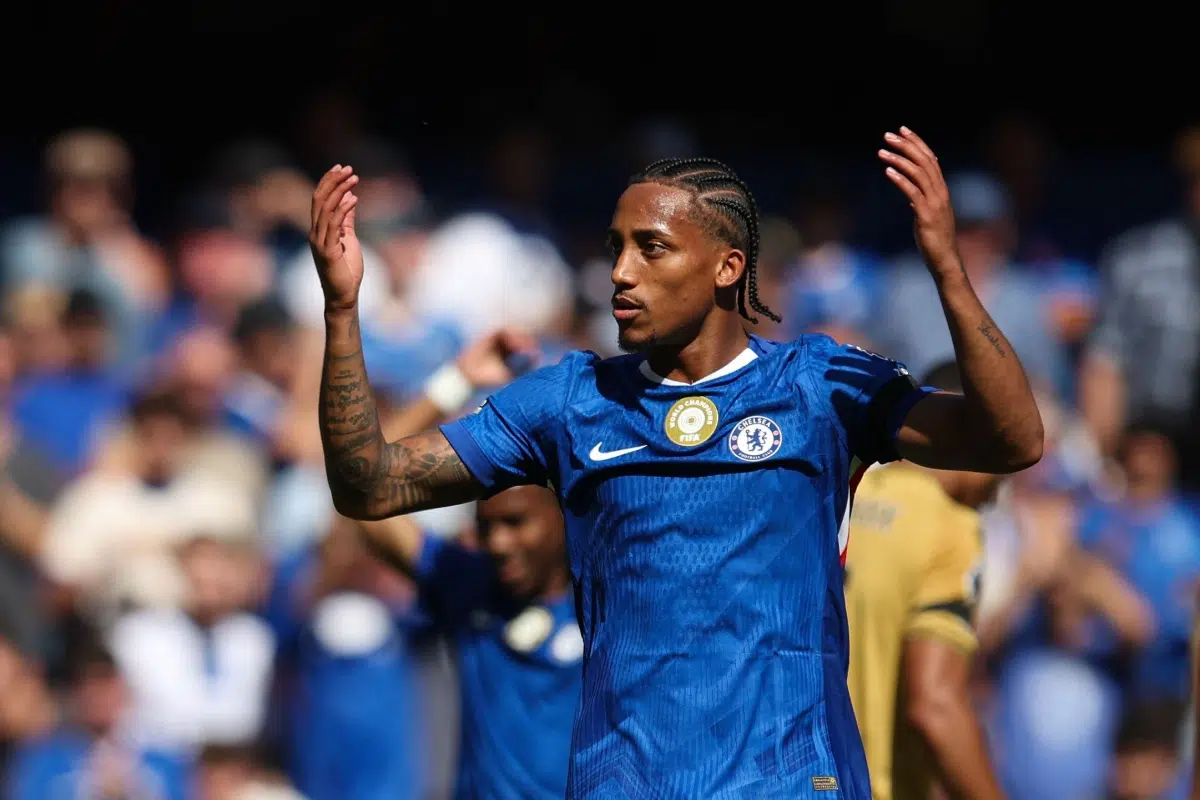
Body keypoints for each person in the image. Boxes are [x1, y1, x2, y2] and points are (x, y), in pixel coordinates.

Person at [309, 127, 1044, 798]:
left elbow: (1010, 441)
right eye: (615, 247)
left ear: (727, 266)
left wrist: (947, 269)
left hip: (791, 784)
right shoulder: (570, 402)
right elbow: (370, 485)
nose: (620, 273)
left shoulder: (820, 389)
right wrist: (342, 313)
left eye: (650, 247)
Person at [355, 483, 581, 799]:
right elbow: (362, 496)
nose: (498, 542)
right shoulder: (472, 585)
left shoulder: (605, 604)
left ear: (561, 516)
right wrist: (431, 431)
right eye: (485, 527)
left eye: (515, 522)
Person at [844, 360, 1004, 800]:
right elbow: (935, 708)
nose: (1000, 486)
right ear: (973, 434)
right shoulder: (950, 525)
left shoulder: (834, 495)